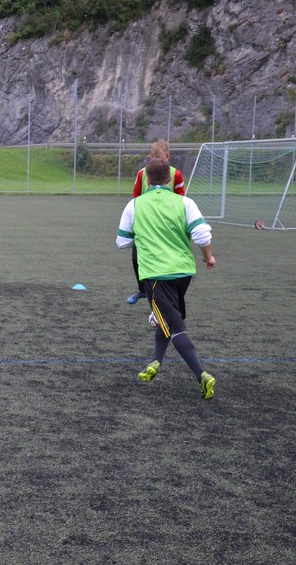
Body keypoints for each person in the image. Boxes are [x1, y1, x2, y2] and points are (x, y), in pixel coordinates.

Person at [116, 158, 216, 400]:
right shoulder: (185, 202)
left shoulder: (135, 205)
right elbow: (202, 236)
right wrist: (209, 258)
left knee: (175, 326)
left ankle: (202, 374)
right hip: (183, 273)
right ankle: (156, 361)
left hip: (155, 275)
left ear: (147, 180)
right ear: (170, 180)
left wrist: (143, 236)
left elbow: (122, 242)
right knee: (168, 317)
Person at [126, 140, 187, 304]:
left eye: (159, 157)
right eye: (153, 157)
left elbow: (181, 199)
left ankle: (164, 292)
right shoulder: (142, 173)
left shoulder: (176, 174)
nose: (156, 161)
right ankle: (142, 291)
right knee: (136, 254)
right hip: (146, 221)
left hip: (167, 222)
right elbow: (135, 197)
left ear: (168, 157)